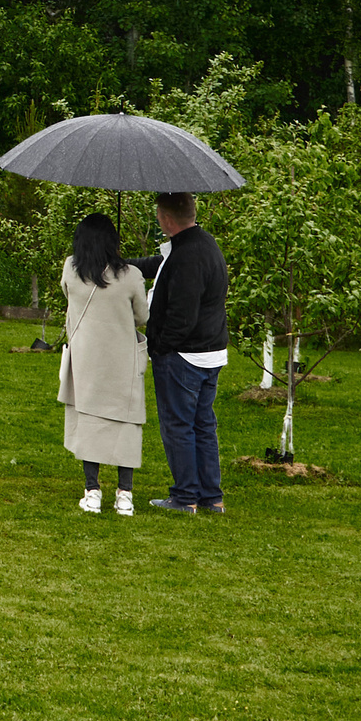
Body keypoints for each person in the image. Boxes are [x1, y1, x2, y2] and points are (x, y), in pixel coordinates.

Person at [135, 190, 230, 514]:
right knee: (202, 424)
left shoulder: (188, 256)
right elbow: (157, 266)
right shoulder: (202, 244)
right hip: (210, 351)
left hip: (184, 355)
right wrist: (120, 263)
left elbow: (182, 315)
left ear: (165, 218)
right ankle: (210, 497)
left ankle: (185, 496)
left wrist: (160, 347)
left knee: (178, 425)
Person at [58, 213, 149, 515]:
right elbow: (142, 317)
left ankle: (92, 491)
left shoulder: (72, 269)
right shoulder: (132, 276)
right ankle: (125, 495)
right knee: (126, 422)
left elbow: (68, 296)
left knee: (90, 420)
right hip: (122, 360)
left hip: (86, 360)